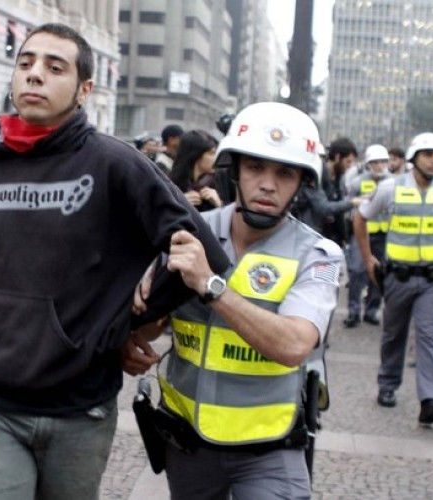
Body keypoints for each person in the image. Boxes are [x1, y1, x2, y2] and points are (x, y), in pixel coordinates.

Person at [0, 23, 228, 500]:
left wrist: (127, 321)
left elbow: (206, 253)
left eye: (54, 67)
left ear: (84, 89)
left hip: (80, 410)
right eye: (26, 63)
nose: (34, 75)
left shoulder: (115, 163)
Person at [125, 102, 344, 498]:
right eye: (256, 168)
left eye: (285, 173)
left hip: (270, 449)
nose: (267, 184)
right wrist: (143, 294)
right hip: (187, 443)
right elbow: (150, 328)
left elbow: (294, 345)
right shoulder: (188, 230)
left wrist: (210, 285)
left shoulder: (317, 253)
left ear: (301, 184)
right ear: (236, 171)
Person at [353, 132, 433, 425]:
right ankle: (387, 385)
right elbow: (360, 217)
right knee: (393, 334)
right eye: (428, 155)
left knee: (429, 335)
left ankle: (431, 399)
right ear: (414, 158)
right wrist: (367, 259)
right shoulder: (391, 188)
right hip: (398, 277)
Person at [343, 144, 389, 327]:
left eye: (382, 162)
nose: (379, 166)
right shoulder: (357, 183)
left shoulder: (394, 183)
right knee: (356, 271)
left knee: (380, 272)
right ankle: (353, 312)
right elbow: (347, 204)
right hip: (362, 233)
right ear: (368, 164)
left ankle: (372, 310)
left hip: (385, 234)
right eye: (375, 162)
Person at [168, 129, 222, 212]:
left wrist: (219, 204)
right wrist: (179, 203)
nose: (217, 158)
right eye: (212, 153)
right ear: (196, 155)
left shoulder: (222, 184)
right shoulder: (170, 186)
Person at [321, 137, 359, 247]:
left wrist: (343, 236)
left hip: (334, 239)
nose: (350, 166)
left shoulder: (339, 179)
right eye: (348, 161)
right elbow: (324, 208)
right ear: (337, 157)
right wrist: (351, 203)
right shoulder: (318, 176)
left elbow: (339, 214)